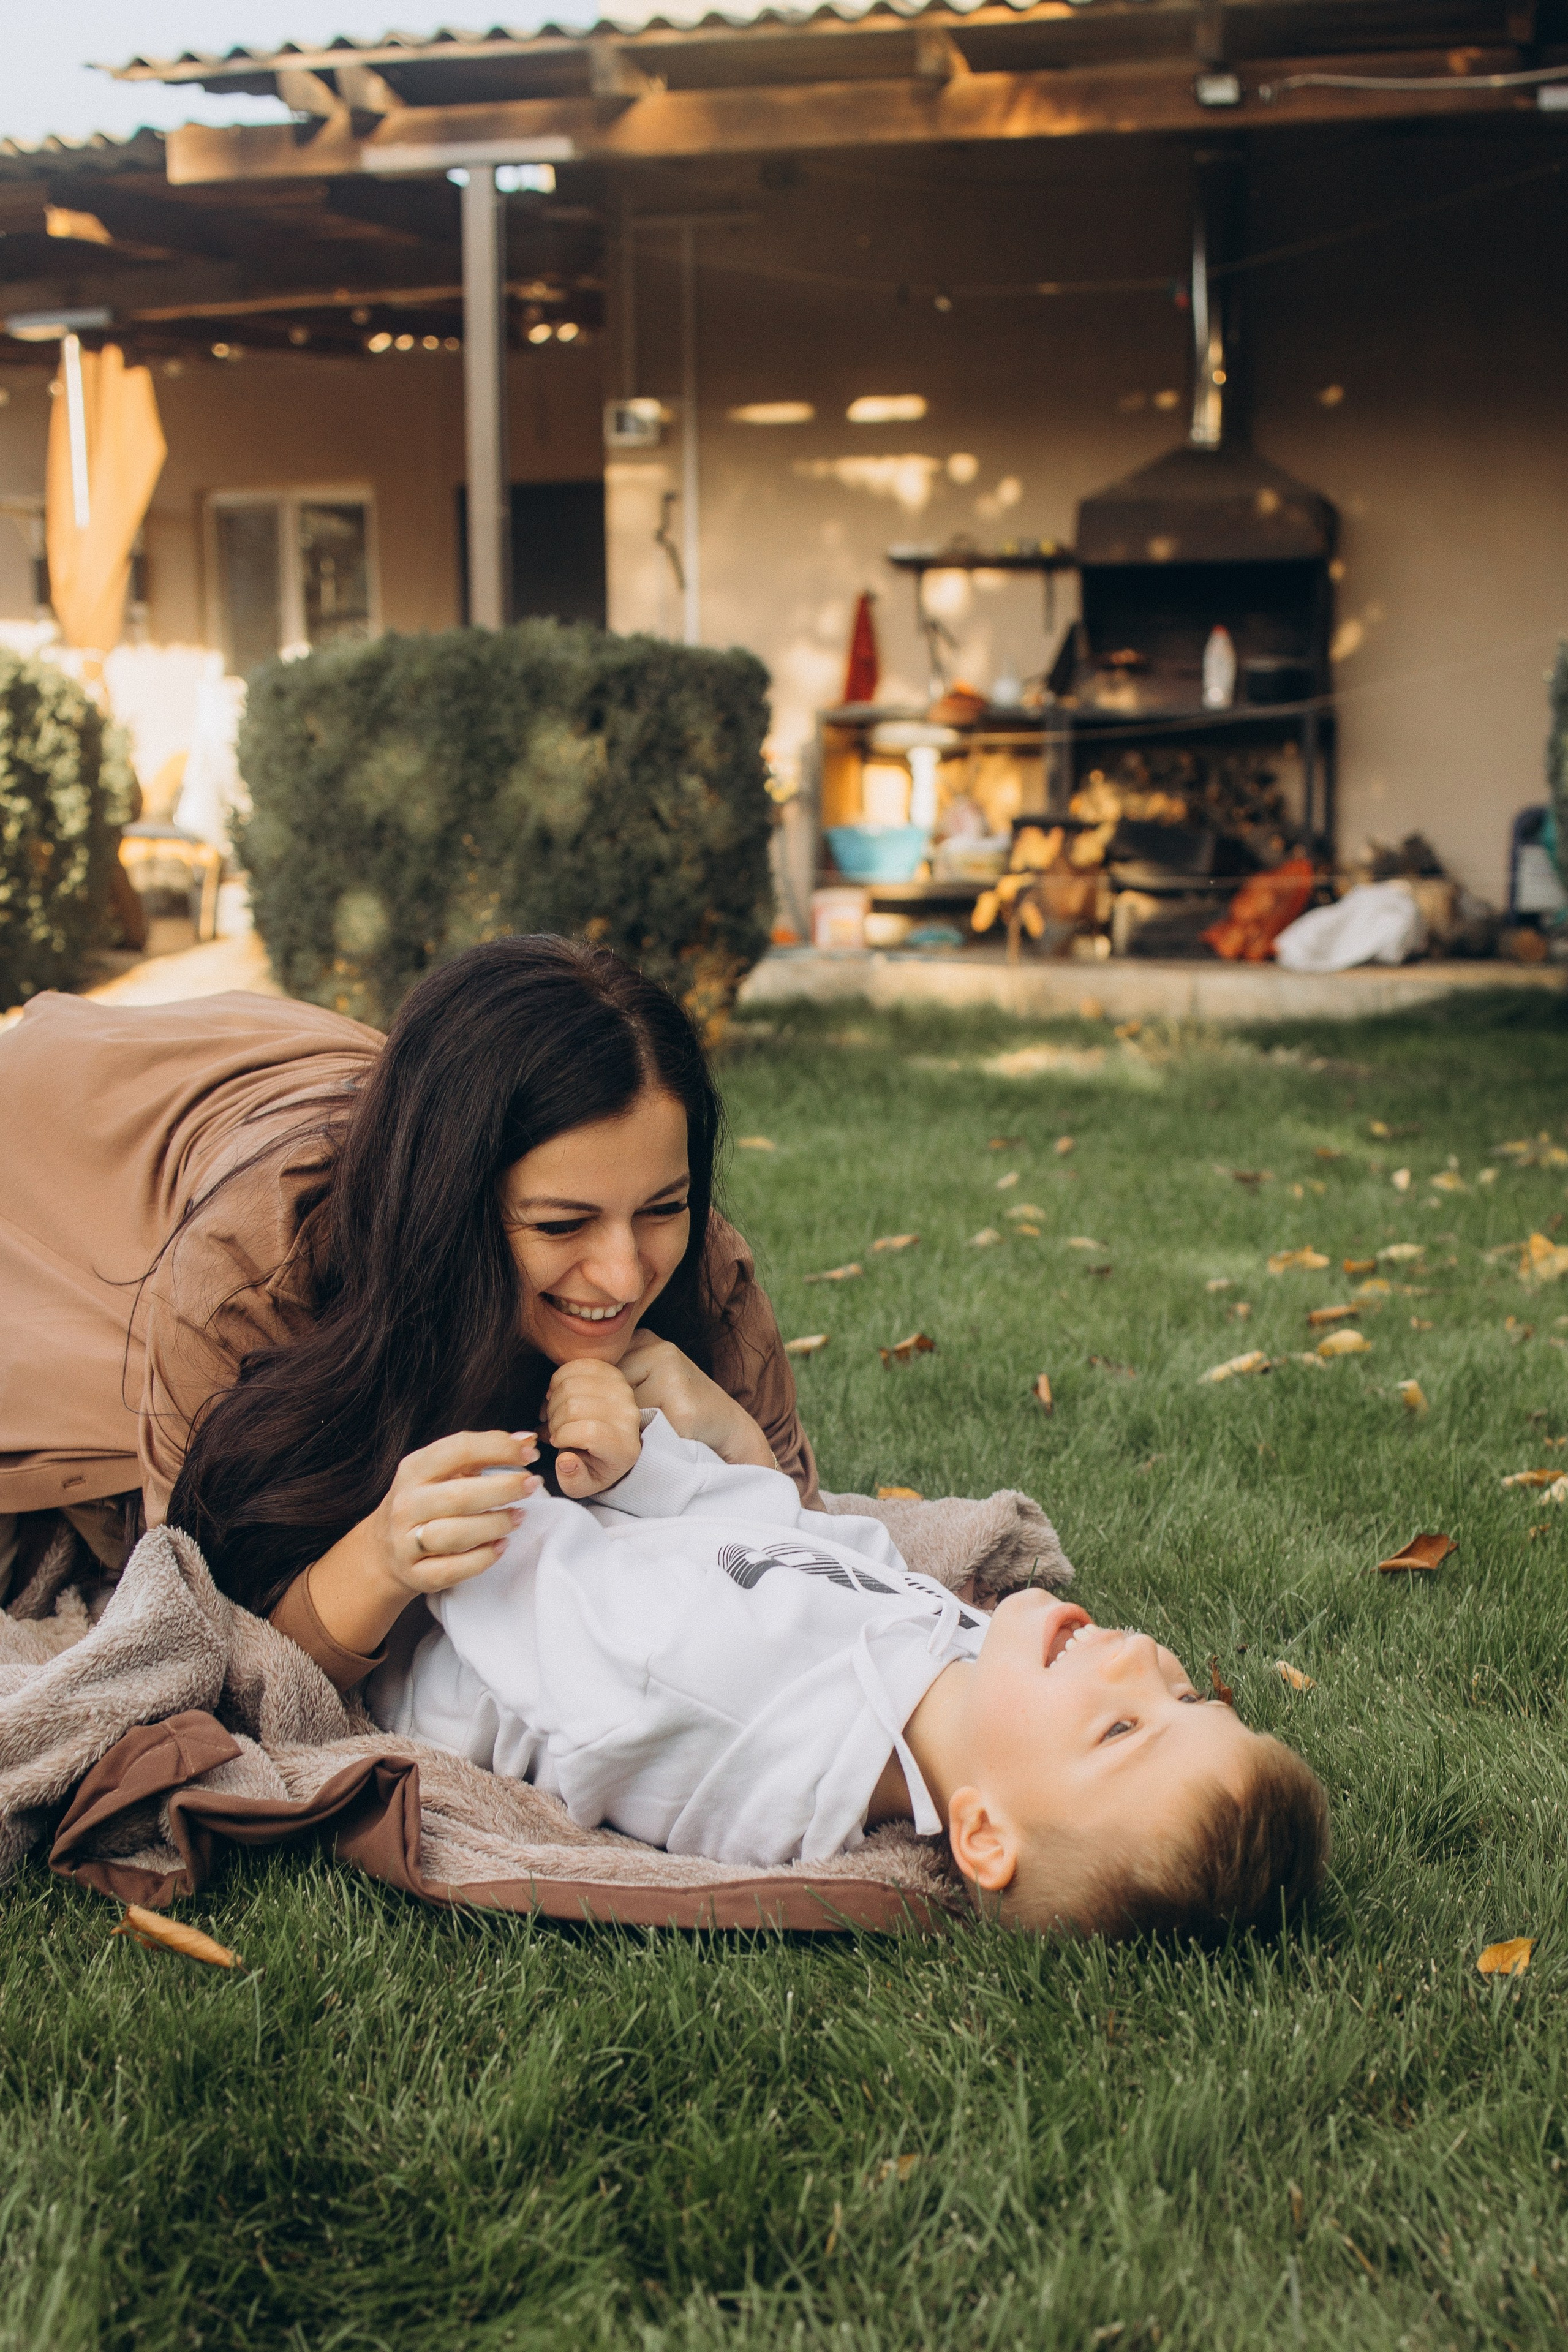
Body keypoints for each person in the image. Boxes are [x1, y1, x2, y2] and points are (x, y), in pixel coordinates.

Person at [0, 938, 820, 1694]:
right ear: (446, 1207)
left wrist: (732, 1437)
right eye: (561, 1225)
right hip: (57, 1134)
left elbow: (829, 1578)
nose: (624, 1270)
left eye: (662, 1207)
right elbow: (209, 1646)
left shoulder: (699, 1263)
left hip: (295, 1067)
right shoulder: (246, 1279)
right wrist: (377, 1559)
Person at [373, 1409, 1330, 1939]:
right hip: (603, 1531)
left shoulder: (737, 1709)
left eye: (1120, 1730)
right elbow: (786, 1538)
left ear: (986, 1834)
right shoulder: (955, 1662)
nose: (1138, 1663)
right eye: (1187, 1696)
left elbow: (547, 1623)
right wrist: (640, 1465)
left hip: (468, 1597)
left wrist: (505, 1471)